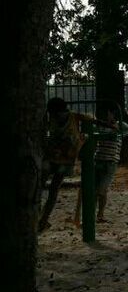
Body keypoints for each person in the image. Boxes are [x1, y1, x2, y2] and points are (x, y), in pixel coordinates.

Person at [73, 102, 128, 226]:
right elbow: (90, 132)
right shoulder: (100, 126)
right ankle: (91, 216)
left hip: (111, 162)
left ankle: (100, 214)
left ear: (114, 115)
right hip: (98, 159)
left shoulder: (120, 125)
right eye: (106, 114)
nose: (107, 116)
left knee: (102, 191)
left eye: (109, 113)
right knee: (93, 190)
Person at [39, 97, 94, 232]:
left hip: (59, 157)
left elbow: (91, 120)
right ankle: (41, 218)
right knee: (47, 188)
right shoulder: (61, 117)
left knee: (47, 188)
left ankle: (42, 218)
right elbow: (91, 120)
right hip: (59, 157)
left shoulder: (63, 117)